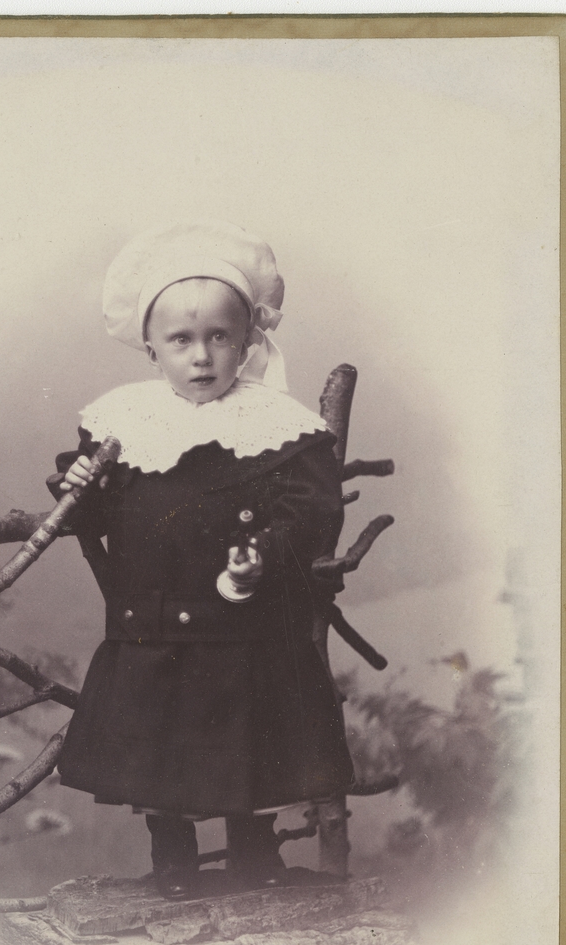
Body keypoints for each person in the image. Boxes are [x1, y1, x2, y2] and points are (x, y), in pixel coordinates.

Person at [47, 221, 354, 899]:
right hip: (157, 626)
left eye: (219, 336)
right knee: (162, 748)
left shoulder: (280, 426)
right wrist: (79, 486)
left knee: (253, 742)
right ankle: (174, 859)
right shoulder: (121, 424)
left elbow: (311, 512)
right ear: (151, 348)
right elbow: (96, 515)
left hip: (249, 625)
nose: (202, 356)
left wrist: (262, 556)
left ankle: (254, 852)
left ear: (247, 341)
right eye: (181, 340)